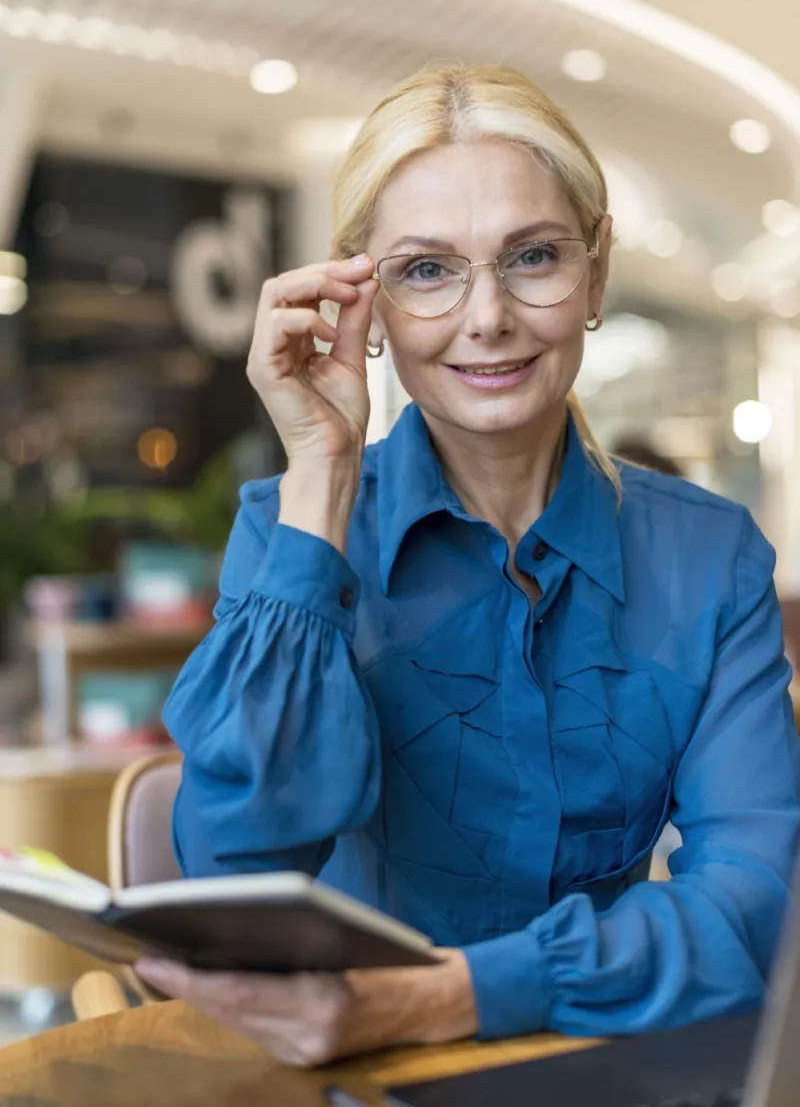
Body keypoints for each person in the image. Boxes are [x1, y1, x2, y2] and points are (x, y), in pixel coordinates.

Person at [136, 63, 800, 1067]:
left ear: (595, 275)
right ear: (361, 301)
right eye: (426, 270)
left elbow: (757, 906)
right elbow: (232, 885)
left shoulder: (710, 554)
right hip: (350, 1080)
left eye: (532, 256)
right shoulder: (288, 530)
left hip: (602, 1066)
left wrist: (438, 998)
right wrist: (320, 474)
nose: (486, 316)